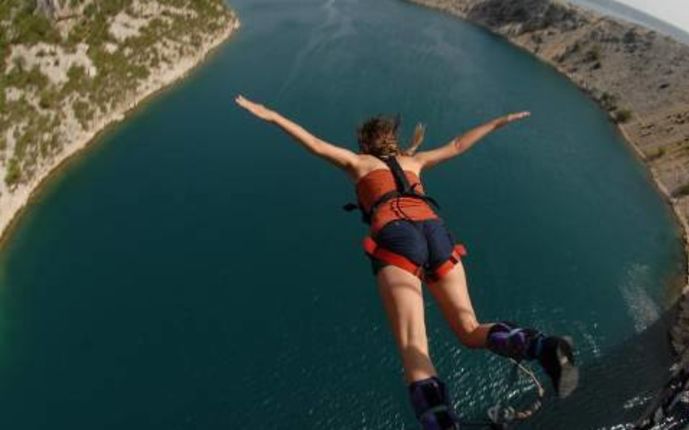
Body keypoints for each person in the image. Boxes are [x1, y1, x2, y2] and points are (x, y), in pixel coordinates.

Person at [235, 95, 576, 429]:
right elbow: (458, 144)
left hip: (398, 235)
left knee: (414, 344)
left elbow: (312, 142)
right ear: (394, 143)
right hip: (435, 231)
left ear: (364, 144)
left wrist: (272, 116)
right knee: (470, 329)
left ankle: (441, 422)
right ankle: (542, 345)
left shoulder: (358, 163)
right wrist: (498, 122)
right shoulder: (415, 161)